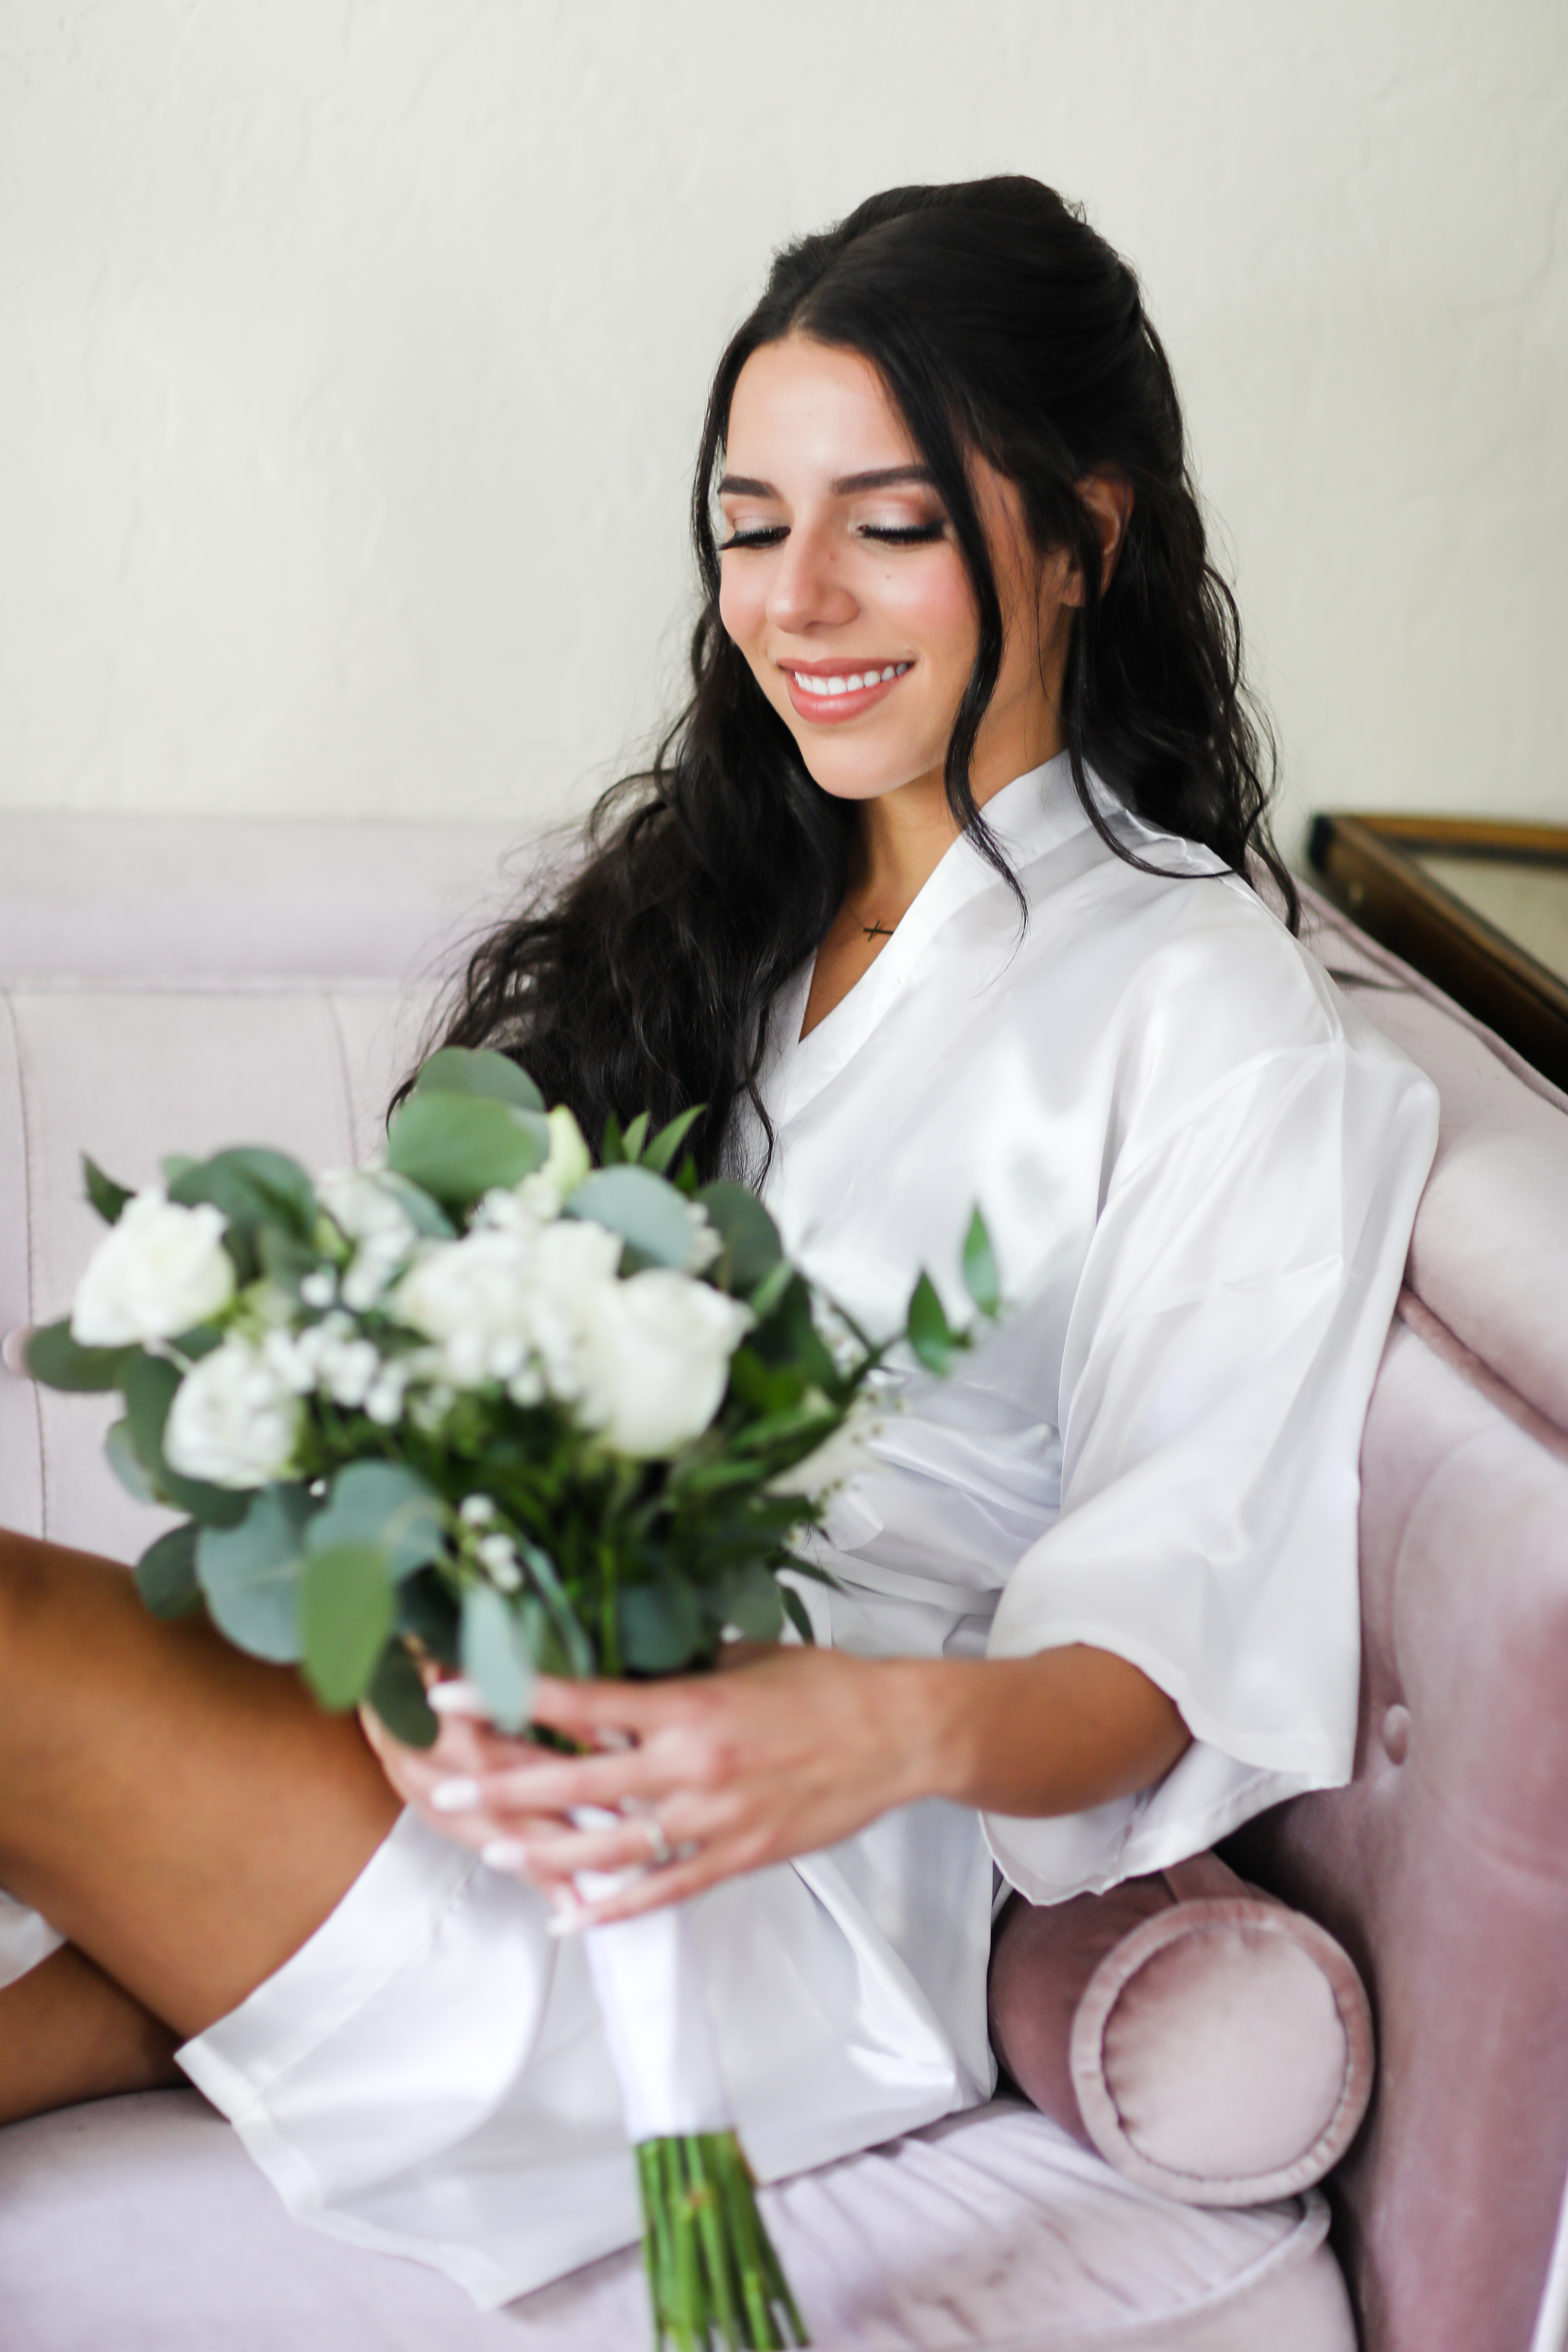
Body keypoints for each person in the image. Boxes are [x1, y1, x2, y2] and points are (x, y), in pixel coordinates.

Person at [0, 177, 1436, 2308]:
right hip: (529, 1737)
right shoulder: (726, 917)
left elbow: (1162, 1642)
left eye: (897, 520)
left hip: (791, 1884)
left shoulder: (1198, 999)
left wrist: (877, 1727)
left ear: (1081, 533)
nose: (804, 597)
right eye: (754, 524)